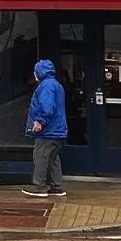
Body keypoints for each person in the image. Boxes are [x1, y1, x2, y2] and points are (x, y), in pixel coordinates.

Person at [23, 58, 68, 197]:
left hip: (48, 131)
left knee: (40, 156)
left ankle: (40, 186)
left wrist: (39, 122)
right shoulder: (56, 85)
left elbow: (47, 108)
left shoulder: (46, 86)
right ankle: (56, 186)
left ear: (40, 72)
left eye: (36, 71)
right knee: (53, 158)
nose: (34, 74)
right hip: (58, 131)